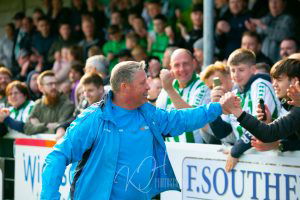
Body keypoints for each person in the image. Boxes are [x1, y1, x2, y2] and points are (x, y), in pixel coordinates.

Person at [41, 60, 233, 199]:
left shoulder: (148, 113)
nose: (148, 86)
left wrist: (217, 107)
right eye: (143, 82)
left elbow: (181, 119)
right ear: (125, 87)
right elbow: (57, 157)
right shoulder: (94, 119)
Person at [209, 48, 281, 172]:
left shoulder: (261, 84)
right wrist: (214, 108)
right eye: (232, 70)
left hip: (273, 159)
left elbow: (259, 126)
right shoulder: (234, 92)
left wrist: (235, 151)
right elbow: (224, 134)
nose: (236, 75)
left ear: (253, 70)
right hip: (249, 160)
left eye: (241, 70)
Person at [220, 58, 300, 149]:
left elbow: (268, 133)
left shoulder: (297, 106)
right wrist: (270, 123)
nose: (274, 85)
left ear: (294, 81)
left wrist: (236, 111)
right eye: (273, 80)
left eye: (279, 80)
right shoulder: (288, 103)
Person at [156, 49, 211, 143]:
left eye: (185, 64)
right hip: (171, 151)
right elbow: (158, 118)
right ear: (171, 67)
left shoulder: (203, 86)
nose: (181, 69)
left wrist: (169, 90)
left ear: (194, 63)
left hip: (195, 153)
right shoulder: (168, 85)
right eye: (176, 65)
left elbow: (193, 118)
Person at [24, 70, 74, 135]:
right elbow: (27, 129)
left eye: (56, 83)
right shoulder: (37, 104)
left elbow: (60, 128)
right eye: (50, 84)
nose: (54, 87)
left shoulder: (67, 104)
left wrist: (38, 125)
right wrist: (46, 125)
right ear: (40, 87)